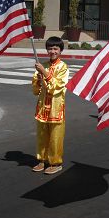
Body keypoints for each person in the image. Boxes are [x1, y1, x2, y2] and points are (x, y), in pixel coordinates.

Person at [31, 37, 69, 175]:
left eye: (55, 49)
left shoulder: (63, 67)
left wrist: (45, 73)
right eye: (50, 48)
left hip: (55, 108)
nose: (52, 51)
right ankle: (42, 160)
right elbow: (36, 91)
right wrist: (38, 81)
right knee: (41, 135)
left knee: (55, 136)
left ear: (60, 51)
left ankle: (55, 162)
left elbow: (57, 87)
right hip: (42, 107)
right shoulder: (43, 65)